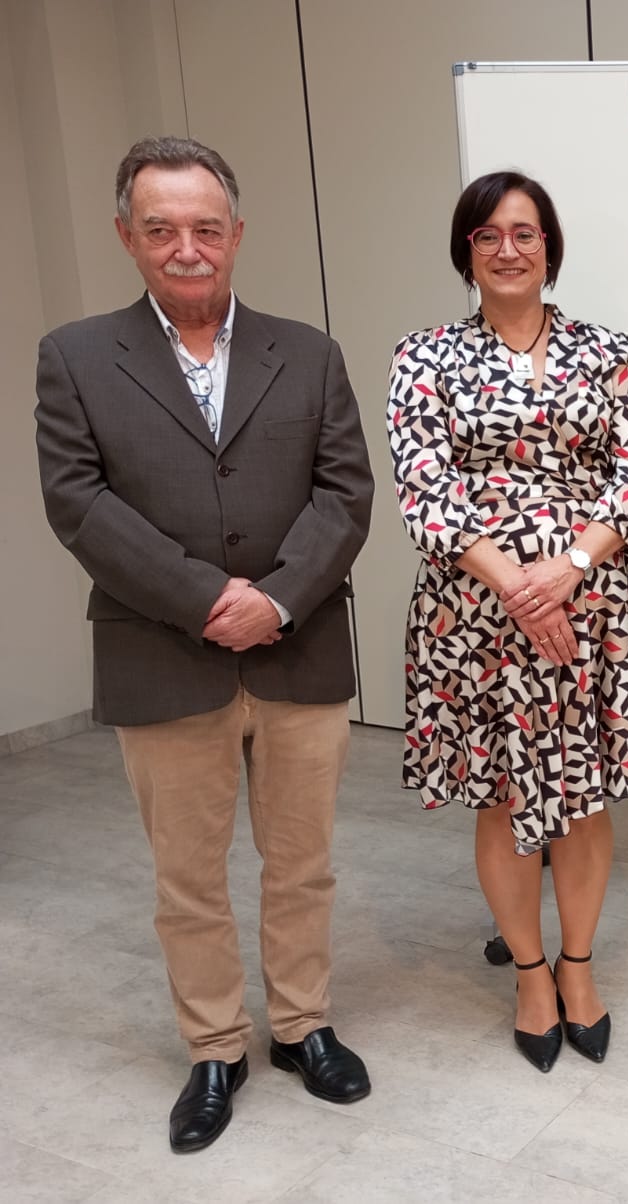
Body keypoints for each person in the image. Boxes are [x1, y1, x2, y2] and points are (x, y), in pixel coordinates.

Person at [34, 136, 375, 1153]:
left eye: (206, 228)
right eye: (162, 229)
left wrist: (274, 599)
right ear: (126, 237)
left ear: (235, 234)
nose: (187, 248)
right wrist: (203, 598)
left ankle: (304, 1025)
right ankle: (215, 1045)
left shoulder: (306, 351)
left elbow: (346, 491)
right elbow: (77, 502)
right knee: (188, 874)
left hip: (297, 648)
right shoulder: (76, 356)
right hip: (162, 655)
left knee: (301, 861)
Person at [387, 171, 628, 1073]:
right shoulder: (422, 357)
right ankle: (531, 975)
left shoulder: (611, 353)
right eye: (487, 236)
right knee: (507, 797)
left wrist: (569, 569)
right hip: (477, 618)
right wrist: (517, 587)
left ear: (550, 246)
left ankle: (580, 968)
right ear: (466, 251)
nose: (508, 249)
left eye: (525, 233)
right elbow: (425, 488)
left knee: (580, 796)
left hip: (595, 611)